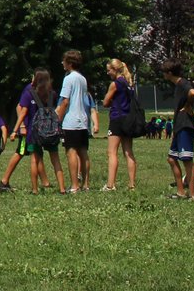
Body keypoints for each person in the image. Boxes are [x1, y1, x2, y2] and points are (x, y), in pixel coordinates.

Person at [54, 49, 95, 193]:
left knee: (71, 152)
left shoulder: (68, 78)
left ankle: (74, 185)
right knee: (83, 152)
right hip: (83, 120)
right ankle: (86, 184)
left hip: (71, 121)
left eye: (64, 61)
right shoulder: (82, 79)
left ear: (69, 63)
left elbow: (65, 101)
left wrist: (57, 120)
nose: (62, 63)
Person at [100, 58, 141, 191]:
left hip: (117, 119)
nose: (107, 73)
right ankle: (132, 184)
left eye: (109, 70)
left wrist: (111, 101)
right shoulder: (128, 83)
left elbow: (105, 102)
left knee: (112, 152)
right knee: (128, 152)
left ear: (115, 70)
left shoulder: (115, 84)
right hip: (128, 119)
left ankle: (110, 185)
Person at [25, 69, 67, 194]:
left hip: (36, 131)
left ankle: (35, 189)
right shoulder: (52, 94)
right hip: (51, 130)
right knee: (55, 160)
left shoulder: (31, 93)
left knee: (34, 160)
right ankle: (62, 188)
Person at [163, 60, 194, 200]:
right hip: (178, 125)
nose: (163, 75)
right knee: (172, 159)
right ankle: (180, 192)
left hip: (185, 125)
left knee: (187, 160)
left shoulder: (183, 83)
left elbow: (193, 92)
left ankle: (193, 194)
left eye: (164, 73)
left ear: (170, 73)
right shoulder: (177, 85)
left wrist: (188, 105)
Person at [0, 74, 36, 191]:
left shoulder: (42, 89)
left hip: (35, 130)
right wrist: (22, 126)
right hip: (27, 130)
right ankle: (4, 180)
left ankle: (45, 182)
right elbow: (19, 107)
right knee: (21, 152)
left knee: (36, 154)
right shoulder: (29, 88)